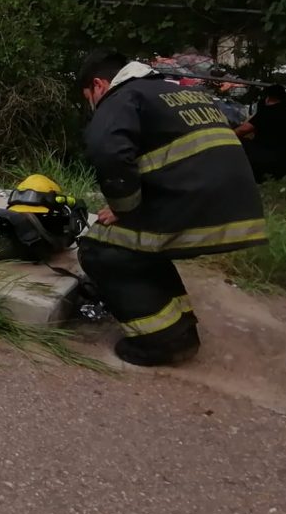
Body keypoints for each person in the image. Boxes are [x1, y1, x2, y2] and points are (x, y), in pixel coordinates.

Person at [75, 49, 267, 366]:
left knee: (101, 248)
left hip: (194, 200)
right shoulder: (173, 91)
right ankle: (180, 326)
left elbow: (107, 150)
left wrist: (123, 208)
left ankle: (163, 343)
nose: (92, 106)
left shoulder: (121, 97)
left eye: (89, 99)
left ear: (98, 85)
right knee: (139, 246)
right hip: (233, 204)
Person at [235, 84, 286, 183]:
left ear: (268, 98)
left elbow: (241, 131)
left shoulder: (267, 113)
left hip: (269, 161)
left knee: (238, 143)